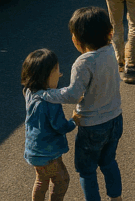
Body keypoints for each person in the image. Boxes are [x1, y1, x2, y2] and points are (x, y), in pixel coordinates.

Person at [40, 7, 123, 201]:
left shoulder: (83, 62)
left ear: (78, 38)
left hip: (92, 125)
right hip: (115, 119)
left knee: (87, 171)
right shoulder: (111, 51)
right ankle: (116, 198)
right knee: (109, 162)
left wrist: (49, 94)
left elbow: (73, 95)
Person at [23, 48, 78, 201]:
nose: (60, 75)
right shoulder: (50, 102)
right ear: (47, 76)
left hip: (34, 150)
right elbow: (60, 126)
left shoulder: (29, 92)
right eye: (58, 71)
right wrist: (74, 122)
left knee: (42, 180)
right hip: (48, 153)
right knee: (62, 180)